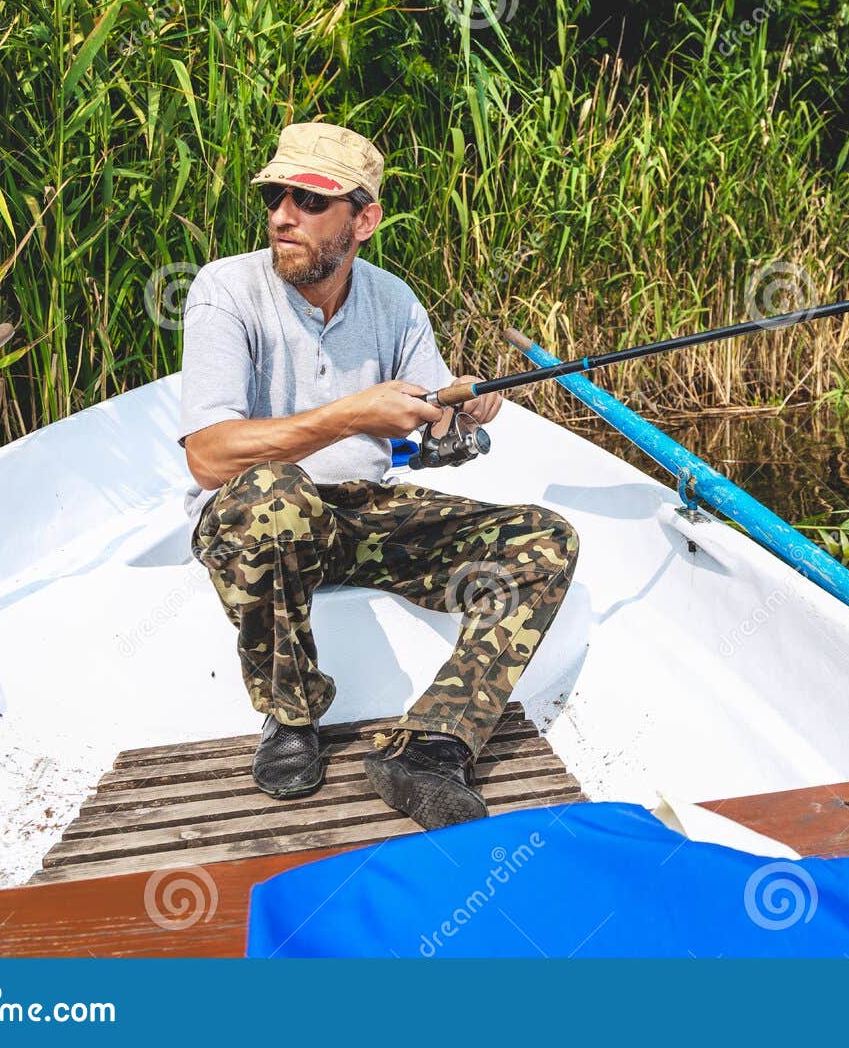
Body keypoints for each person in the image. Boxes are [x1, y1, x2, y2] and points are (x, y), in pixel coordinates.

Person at [176, 121, 579, 829]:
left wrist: (464, 412)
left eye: (308, 200)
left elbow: (430, 437)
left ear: (364, 220)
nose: (281, 216)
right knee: (278, 497)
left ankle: (432, 745)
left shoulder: (394, 300)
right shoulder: (225, 290)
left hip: (362, 511)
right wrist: (351, 411)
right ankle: (290, 714)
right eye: (276, 196)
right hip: (254, 515)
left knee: (545, 538)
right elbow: (208, 455)